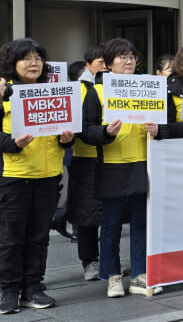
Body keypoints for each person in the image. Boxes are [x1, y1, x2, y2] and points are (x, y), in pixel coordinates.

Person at [80, 38, 162, 298]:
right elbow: (85, 131)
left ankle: (140, 273)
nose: (128, 61)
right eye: (122, 57)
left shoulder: (148, 88)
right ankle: (112, 275)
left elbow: (163, 121)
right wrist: (105, 132)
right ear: (108, 63)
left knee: (141, 222)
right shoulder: (98, 92)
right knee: (111, 223)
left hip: (143, 163)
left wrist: (158, 129)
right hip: (112, 165)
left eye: (132, 57)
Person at [0, 38, 74, 313]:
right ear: (13, 63)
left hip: (48, 175)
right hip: (14, 175)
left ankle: (33, 287)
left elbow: (65, 134)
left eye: (38, 58)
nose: (34, 63)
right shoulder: (2, 92)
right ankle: (9, 290)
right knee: (11, 238)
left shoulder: (53, 91)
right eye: (26, 58)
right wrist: (12, 144)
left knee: (39, 237)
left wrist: (68, 139)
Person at [67, 49, 107, 282]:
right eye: (101, 62)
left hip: (114, 158)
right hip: (86, 158)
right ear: (88, 64)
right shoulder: (77, 90)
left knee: (113, 214)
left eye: (108, 62)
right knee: (87, 215)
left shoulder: (119, 88)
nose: (105, 66)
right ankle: (90, 261)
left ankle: (109, 261)